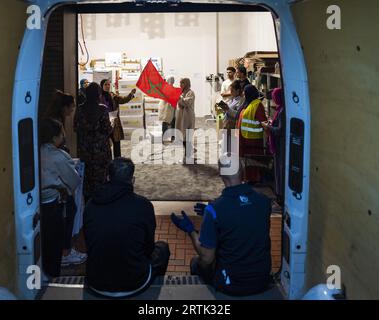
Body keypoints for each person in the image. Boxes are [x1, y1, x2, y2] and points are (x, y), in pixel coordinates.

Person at [170, 156, 272, 296]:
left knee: (197, 263)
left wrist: (191, 230)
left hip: (232, 284)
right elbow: (243, 216)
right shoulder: (264, 201)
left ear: (220, 174)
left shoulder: (215, 209)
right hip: (262, 279)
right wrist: (211, 214)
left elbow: (207, 257)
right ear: (242, 171)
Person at [83, 157, 170, 298]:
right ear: (132, 180)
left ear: (108, 177)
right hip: (135, 282)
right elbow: (149, 248)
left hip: (96, 281)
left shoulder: (90, 205)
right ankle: (153, 293)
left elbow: (90, 243)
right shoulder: (144, 206)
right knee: (163, 248)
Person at [39, 118, 87, 277]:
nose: (64, 135)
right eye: (61, 133)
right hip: (54, 201)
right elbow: (73, 180)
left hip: (39, 201)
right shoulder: (59, 156)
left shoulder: (35, 150)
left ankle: (49, 266)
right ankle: (63, 257)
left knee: (46, 238)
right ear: (54, 137)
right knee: (56, 234)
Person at [74, 82, 113, 201]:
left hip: (85, 149)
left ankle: (87, 204)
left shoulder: (79, 109)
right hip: (100, 150)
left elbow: (75, 128)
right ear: (98, 95)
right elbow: (107, 129)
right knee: (101, 178)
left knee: (86, 177)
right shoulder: (103, 110)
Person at [236, 84, 268, 183]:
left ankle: (253, 178)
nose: (243, 94)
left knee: (252, 160)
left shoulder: (257, 104)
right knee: (244, 160)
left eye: (245, 93)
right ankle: (246, 177)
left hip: (252, 139)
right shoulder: (247, 103)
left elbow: (263, 121)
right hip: (244, 137)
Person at [100, 79, 136, 158]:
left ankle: (117, 161)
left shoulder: (112, 95)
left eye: (108, 84)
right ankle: (107, 161)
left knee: (116, 142)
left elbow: (123, 100)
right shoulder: (99, 97)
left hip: (114, 122)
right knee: (105, 144)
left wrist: (131, 94)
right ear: (101, 86)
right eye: (105, 85)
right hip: (103, 123)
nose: (107, 86)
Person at [261, 88, 286, 206]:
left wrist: (268, 127)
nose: (274, 100)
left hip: (280, 145)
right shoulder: (280, 109)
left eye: (275, 97)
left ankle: (280, 195)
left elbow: (280, 130)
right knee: (278, 169)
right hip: (278, 144)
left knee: (280, 170)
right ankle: (279, 193)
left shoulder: (282, 112)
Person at [175, 78, 196, 162]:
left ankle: (188, 156)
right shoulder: (181, 92)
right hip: (181, 116)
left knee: (187, 136)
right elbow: (179, 103)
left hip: (188, 117)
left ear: (187, 84)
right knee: (182, 136)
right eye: (180, 83)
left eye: (182, 83)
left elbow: (186, 103)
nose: (180, 85)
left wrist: (179, 97)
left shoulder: (191, 93)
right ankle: (189, 153)